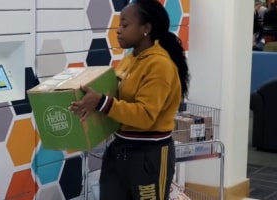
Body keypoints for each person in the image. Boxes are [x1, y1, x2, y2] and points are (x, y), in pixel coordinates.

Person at [69, 0, 190, 199]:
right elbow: (116, 100)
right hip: (119, 151)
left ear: (146, 29)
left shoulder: (160, 65)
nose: (118, 30)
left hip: (149, 156)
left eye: (125, 25)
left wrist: (102, 102)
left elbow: (144, 116)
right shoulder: (130, 59)